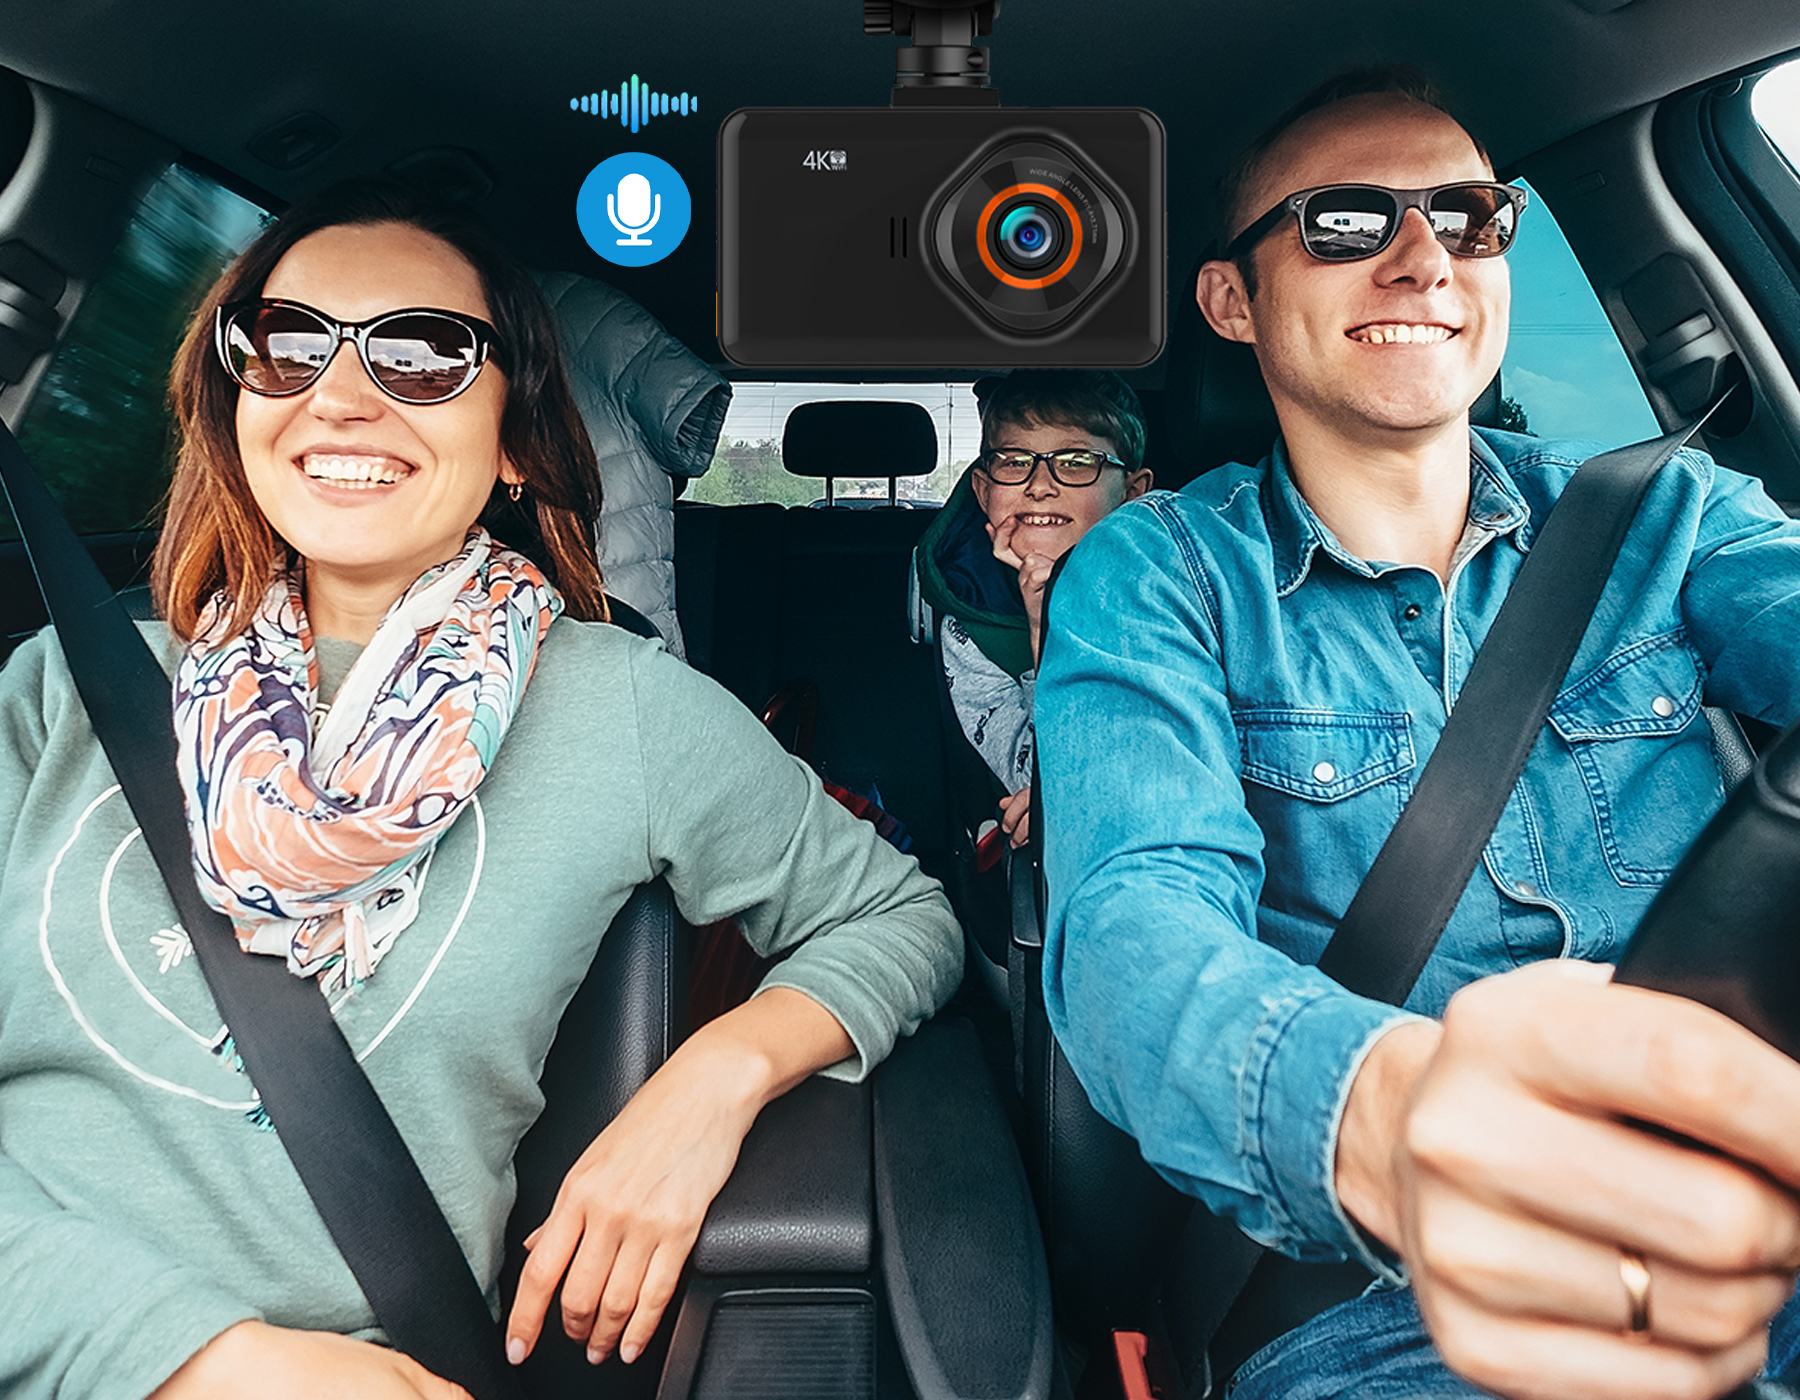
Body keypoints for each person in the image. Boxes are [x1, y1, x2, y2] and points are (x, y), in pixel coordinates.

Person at [0, 179, 962, 1400]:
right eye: (286, 346)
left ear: (516, 438)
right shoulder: (68, 684)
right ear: (236, 396)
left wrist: (716, 1077)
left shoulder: (625, 705)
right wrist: (191, 1357)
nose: (340, 395)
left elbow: (902, 916)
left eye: (423, 353)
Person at [1036, 67, 1800, 1400]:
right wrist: (1394, 1117)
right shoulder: (1158, 577)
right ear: (1234, 300)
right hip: (1384, 1294)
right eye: (1343, 222)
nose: (1419, 258)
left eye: (1468, 216)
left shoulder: (1672, 518)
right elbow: (1126, 930)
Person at [914, 369, 1151, 850]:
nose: (1040, 484)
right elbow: (1037, 776)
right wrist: (1045, 625)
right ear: (984, 492)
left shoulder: (1176, 594)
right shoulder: (975, 623)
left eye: (1077, 460)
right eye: (1015, 461)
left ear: (1131, 492)